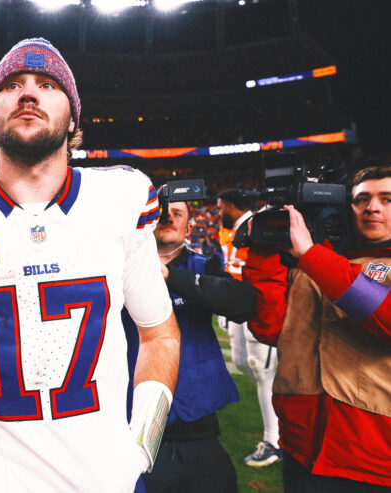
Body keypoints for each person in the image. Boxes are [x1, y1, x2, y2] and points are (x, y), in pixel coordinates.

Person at [0, 38, 180, 493]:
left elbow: (160, 334)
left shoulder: (121, 198)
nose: (28, 93)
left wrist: (143, 445)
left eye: (47, 84)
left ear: (73, 118)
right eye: (11, 85)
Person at [243, 166, 391, 491]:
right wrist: (264, 254)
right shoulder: (316, 261)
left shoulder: (316, 259)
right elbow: (271, 329)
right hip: (301, 449)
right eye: (362, 199)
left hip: (374, 461)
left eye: (387, 199)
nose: (372, 207)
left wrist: (312, 255)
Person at [128, 199, 257, 493]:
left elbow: (243, 303)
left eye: (177, 213)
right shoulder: (121, 268)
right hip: (137, 419)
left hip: (199, 424)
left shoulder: (203, 265)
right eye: (162, 212)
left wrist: (170, 275)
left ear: (188, 227)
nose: (168, 217)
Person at [216, 188, 282, 467]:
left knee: (261, 370)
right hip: (237, 304)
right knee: (244, 363)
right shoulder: (228, 229)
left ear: (233, 206)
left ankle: (274, 441)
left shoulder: (260, 225)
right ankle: (279, 399)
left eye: (221, 206)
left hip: (258, 305)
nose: (218, 212)